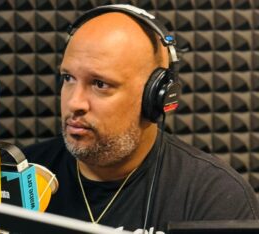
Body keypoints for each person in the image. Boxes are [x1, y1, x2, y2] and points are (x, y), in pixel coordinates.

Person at [22, 4, 259, 233]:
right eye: (68, 78)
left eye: (100, 84)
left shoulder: (213, 197)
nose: (75, 103)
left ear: (155, 97)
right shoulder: (17, 176)